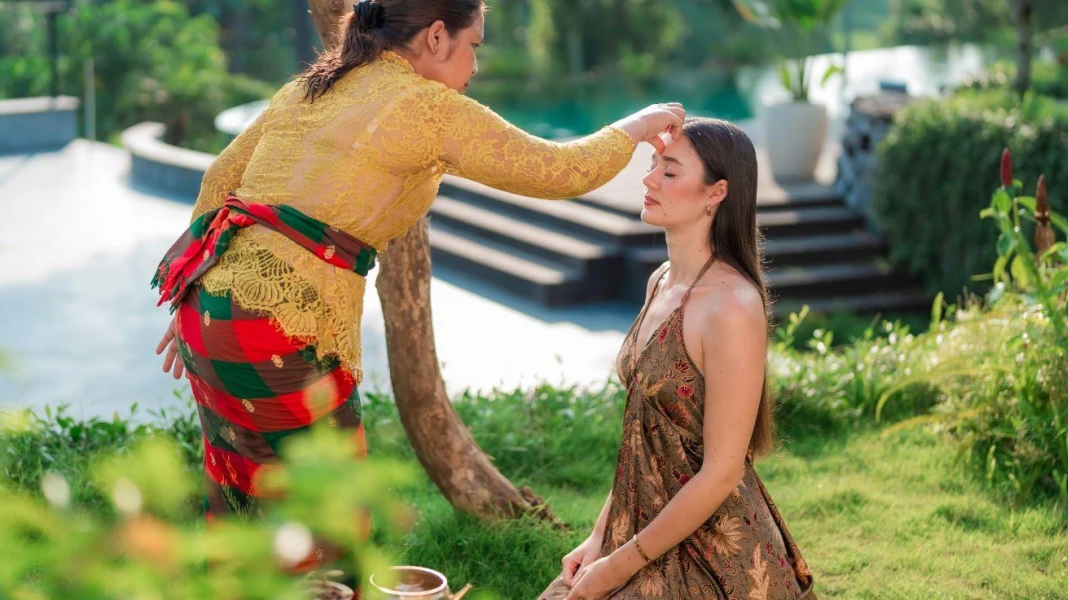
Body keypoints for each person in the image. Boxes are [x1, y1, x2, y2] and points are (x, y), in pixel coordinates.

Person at [150, 0, 683, 551]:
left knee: (245, 506)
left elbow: (219, 180)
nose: (476, 66)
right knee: (324, 527)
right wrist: (640, 123)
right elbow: (562, 169)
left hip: (210, 310)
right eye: (473, 45)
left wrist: (197, 290)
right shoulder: (427, 107)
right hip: (279, 327)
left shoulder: (309, 87)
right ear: (435, 37)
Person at [538, 118, 814, 600]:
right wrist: (600, 537)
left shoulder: (732, 304)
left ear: (716, 193)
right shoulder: (662, 281)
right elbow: (642, 438)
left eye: (669, 171)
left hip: (710, 551)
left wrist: (618, 566)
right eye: (653, 167)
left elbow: (722, 472)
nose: (649, 180)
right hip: (641, 527)